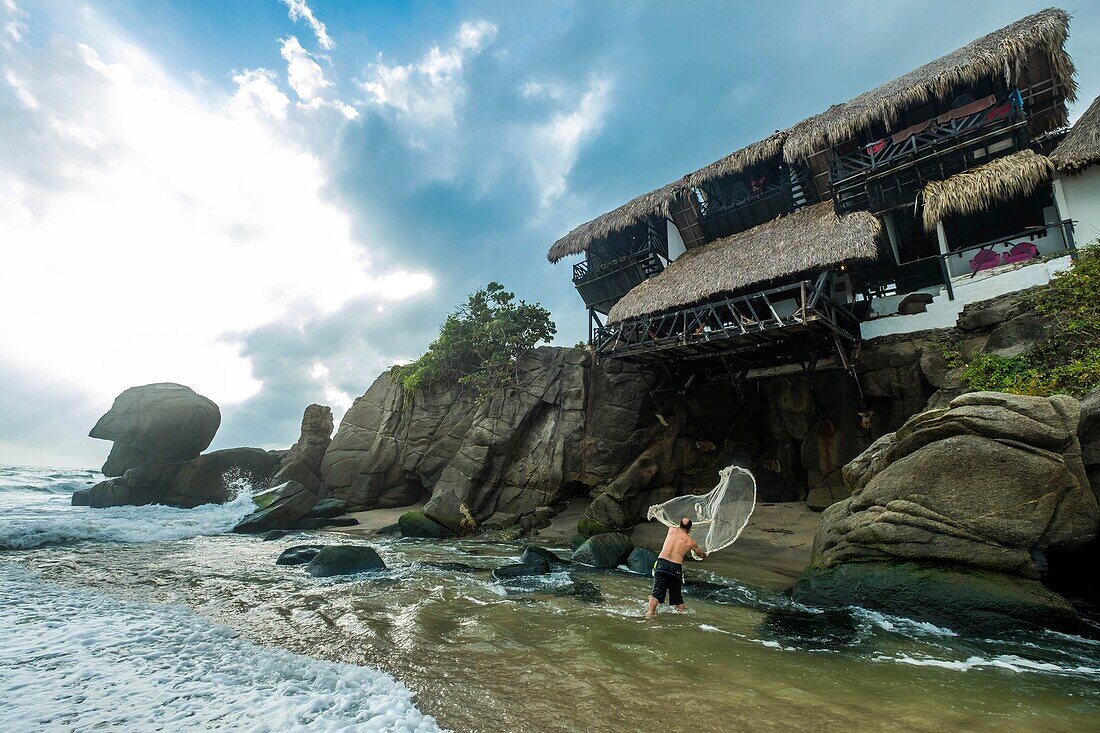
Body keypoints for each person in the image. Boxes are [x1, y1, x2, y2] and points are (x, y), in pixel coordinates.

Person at [644, 517, 706, 620]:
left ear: (679, 525)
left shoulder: (671, 530)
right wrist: (705, 554)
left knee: (656, 593)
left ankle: (649, 614)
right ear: (690, 529)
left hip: (662, 564)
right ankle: (683, 619)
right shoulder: (691, 541)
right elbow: (701, 555)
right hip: (675, 567)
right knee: (677, 597)